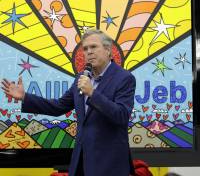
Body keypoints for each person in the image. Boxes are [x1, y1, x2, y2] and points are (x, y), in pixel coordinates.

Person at [1, 29, 136, 176]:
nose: (89, 52)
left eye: (93, 47)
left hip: (109, 164)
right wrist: (25, 97)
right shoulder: (82, 77)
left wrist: (92, 93)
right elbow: (58, 106)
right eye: (85, 49)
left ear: (108, 50)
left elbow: (121, 116)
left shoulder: (124, 78)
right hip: (81, 162)